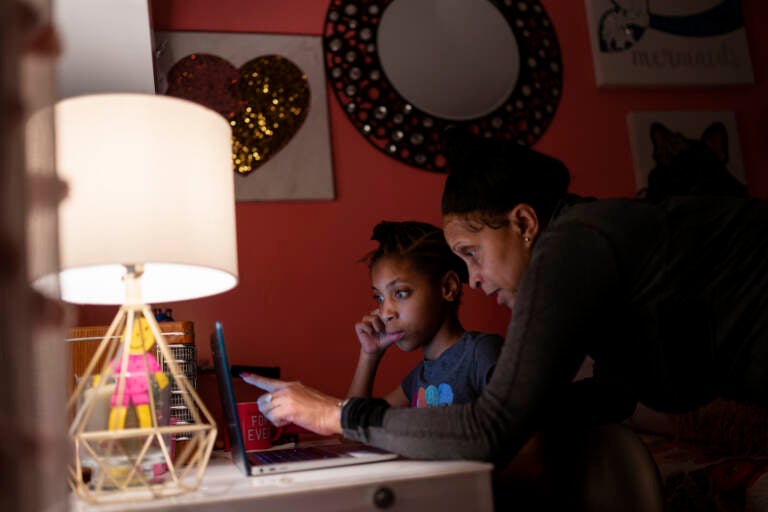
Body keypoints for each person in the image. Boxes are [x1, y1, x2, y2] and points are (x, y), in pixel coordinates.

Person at [242, 130, 768, 509]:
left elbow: (491, 429)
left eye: (472, 253)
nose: (472, 278)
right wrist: (445, 427)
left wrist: (338, 415)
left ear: (523, 223)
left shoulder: (572, 245)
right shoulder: (597, 244)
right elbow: (607, 396)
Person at [345, 220, 503, 408]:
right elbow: (353, 430)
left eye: (400, 293)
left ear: (447, 287)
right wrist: (369, 356)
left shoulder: (482, 354)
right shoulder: (417, 380)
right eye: (379, 298)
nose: (386, 312)